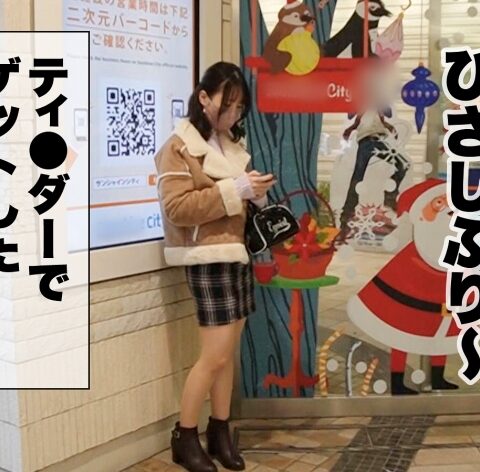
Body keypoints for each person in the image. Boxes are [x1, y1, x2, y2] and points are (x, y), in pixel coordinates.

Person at [154, 62, 276, 472]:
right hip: (206, 258)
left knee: (226, 356)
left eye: (240, 107)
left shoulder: (228, 144)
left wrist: (254, 194)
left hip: (236, 255)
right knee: (213, 357)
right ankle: (185, 436)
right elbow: (176, 208)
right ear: (203, 97)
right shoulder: (179, 146)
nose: (233, 114)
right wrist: (236, 189)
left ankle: (219, 431)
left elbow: (234, 202)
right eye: (228, 105)